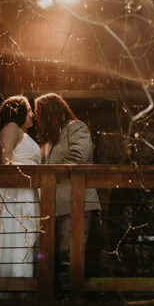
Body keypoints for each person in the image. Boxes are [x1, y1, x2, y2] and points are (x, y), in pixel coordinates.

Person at [34, 93, 100, 294]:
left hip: (74, 203)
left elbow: (78, 156)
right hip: (52, 208)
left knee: (68, 258)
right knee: (52, 260)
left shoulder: (76, 127)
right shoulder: (50, 139)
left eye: (39, 112)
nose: (37, 118)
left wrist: (49, 174)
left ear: (50, 111)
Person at [0, 95, 41, 281]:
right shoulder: (11, 127)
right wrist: (28, 177)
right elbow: (6, 162)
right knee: (18, 236)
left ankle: (27, 285)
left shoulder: (24, 134)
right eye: (29, 109)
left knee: (27, 236)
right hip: (18, 191)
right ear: (18, 111)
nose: (32, 113)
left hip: (30, 191)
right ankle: (14, 285)